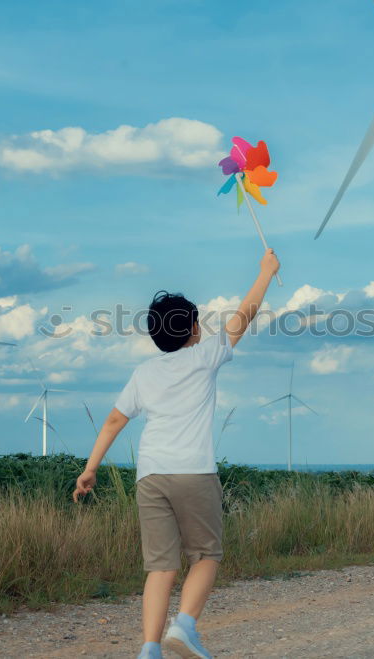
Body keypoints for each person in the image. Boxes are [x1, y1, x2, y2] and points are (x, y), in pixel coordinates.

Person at [73, 249, 280, 659]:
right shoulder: (205, 357)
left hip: (150, 476)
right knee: (205, 555)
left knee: (160, 567)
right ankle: (183, 626)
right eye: (198, 322)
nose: (202, 327)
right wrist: (267, 272)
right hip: (194, 473)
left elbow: (115, 421)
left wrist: (90, 469)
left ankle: (149, 649)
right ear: (192, 330)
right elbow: (245, 314)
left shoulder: (144, 373)